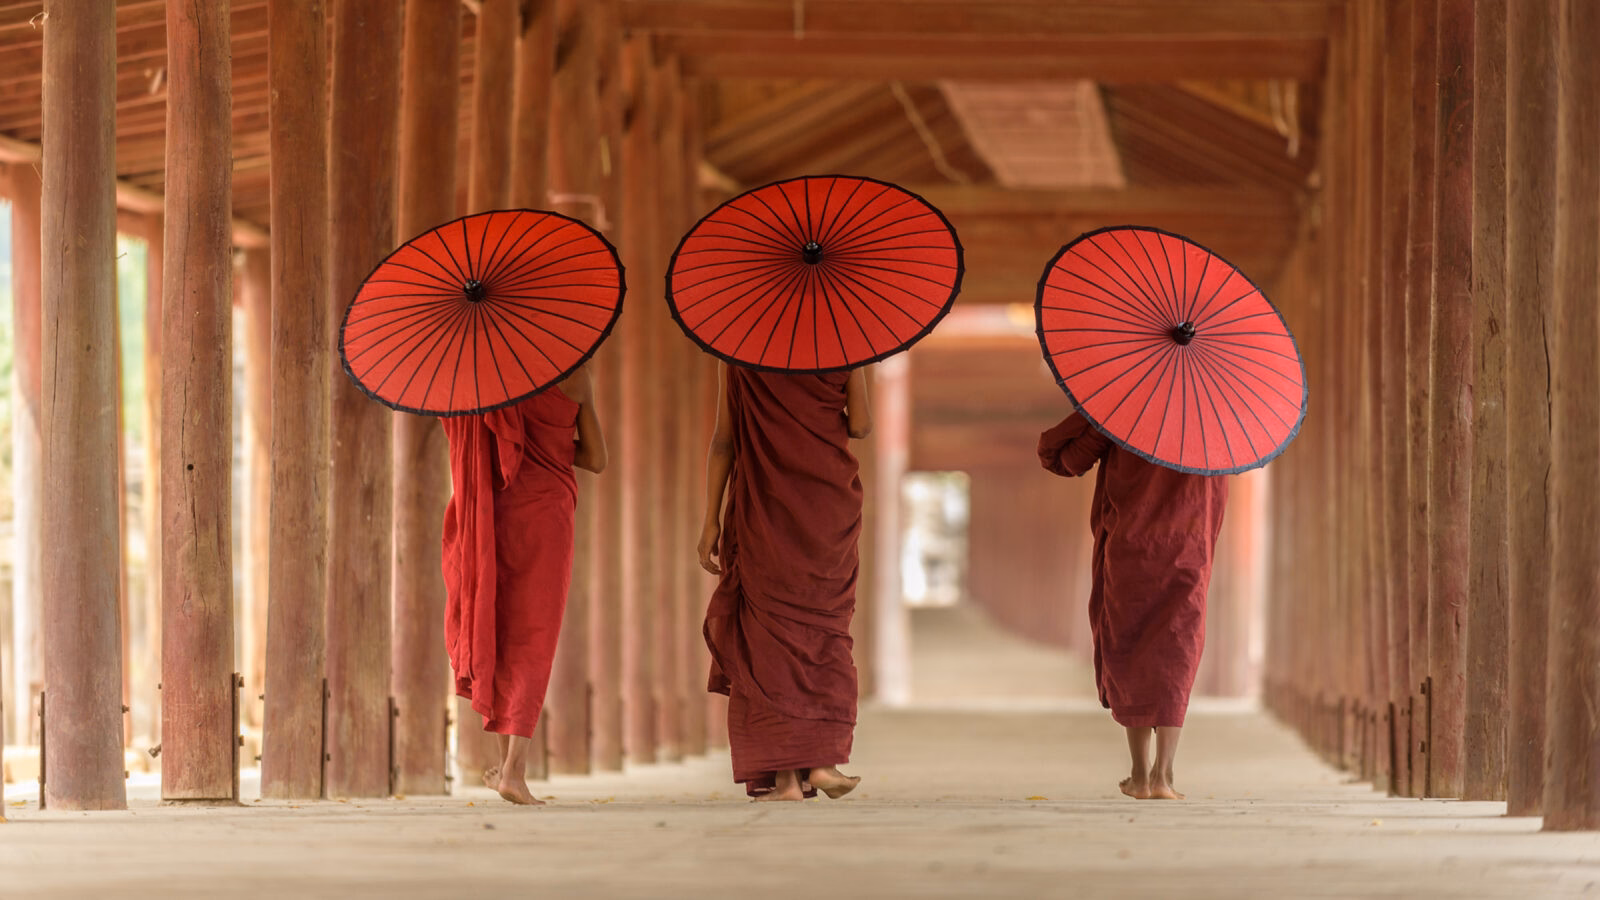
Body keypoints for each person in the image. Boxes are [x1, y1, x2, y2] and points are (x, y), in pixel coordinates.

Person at [698, 363, 872, 802]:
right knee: (825, 629)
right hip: (828, 506)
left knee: (767, 637)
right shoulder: (843, 348)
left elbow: (724, 441)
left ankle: (786, 782)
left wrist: (710, 522)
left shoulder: (736, 353)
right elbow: (862, 426)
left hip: (765, 508)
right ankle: (821, 762)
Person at [1037, 411, 1227, 801]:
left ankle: (1140, 775)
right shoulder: (1217, 417)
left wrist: (1101, 420)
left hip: (1131, 543)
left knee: (1130, 644)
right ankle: (1165, 775)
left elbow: (1060, 457)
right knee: (1179, 647)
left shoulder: (1126, 405)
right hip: (1188, 547)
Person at [441, 364, 607, 806]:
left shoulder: (479, 374)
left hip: (493, 509)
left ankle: (506, 765)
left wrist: (514, 440)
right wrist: (545, 446)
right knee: (535, 634)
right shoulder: (575, 376)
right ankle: (514, 770)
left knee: (497, 623)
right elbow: (596, 458)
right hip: (546, 512)